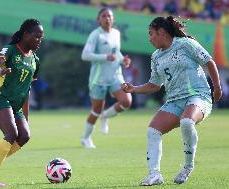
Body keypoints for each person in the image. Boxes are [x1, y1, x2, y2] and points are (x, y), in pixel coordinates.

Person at [121, 16, 222, 186]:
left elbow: (209, 62)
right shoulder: (156, 57)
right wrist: (134, 89)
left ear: (161, 32)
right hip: (174, 101)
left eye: (151, 34)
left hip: (198, 95)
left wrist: (217, 87)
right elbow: (154, 85)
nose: (149, 38)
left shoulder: (185, 44)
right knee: (153, 131)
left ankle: (188, 167)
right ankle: (154, 174)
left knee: (187, 121)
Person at [0, 18, 44, 187]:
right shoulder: (11, 50)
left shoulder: (35, 60)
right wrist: (1, 70)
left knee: (24, 136)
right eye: (36, 36)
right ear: (25, 35)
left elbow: (26, 89)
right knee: (11, 133)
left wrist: (26, 118)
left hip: (15, 104)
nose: (39, 41)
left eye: (41, 38)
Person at [80, 7, 132, 149]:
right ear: (98, 19)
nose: (107, 18)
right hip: (99, 79)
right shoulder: (95, 35)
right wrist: (105, 57)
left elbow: (116, 52)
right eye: (104, 16)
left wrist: (123, 60)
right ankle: (85, 138)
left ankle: (106, 116)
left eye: (109, 16)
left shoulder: (116, 33)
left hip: (115, 75)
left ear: (113, 19)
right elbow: (85, 55)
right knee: (96, 110)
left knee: (126, 101)